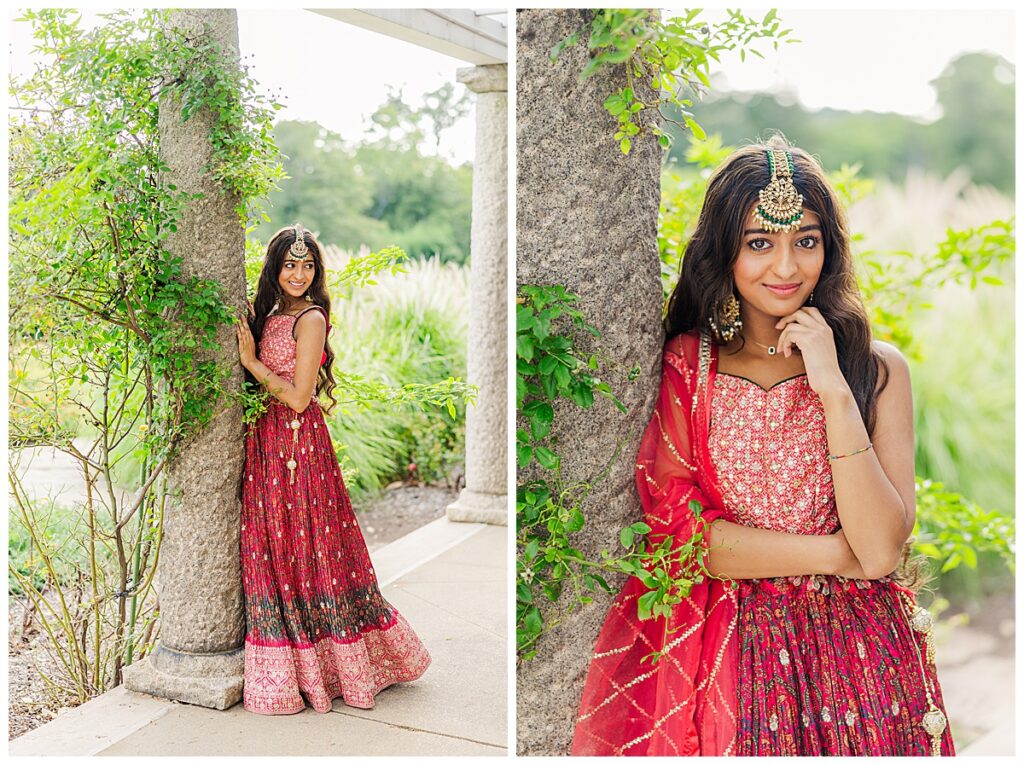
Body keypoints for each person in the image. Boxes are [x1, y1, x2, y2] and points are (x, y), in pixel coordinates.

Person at [571, 136, 954, 756]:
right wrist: (836, 555)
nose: (785, 267)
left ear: (827, 251)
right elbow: (686, 541)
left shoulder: (876, 371)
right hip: (732, 657)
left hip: (863, 665)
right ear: (723, 253)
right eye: (759, 243)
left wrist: (830, 385)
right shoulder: (688, 369)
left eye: (806, 240)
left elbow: (881, 547)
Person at [235, 224, 430, 715]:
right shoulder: (272, 313)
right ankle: (298, 666)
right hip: (267, 443)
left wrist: (252, 363)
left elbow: (300, 398)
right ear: (274, 269)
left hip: (298, 445)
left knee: (310, 546)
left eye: (308, 265)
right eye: (290, 265)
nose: (299, 274)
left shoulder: (311, 318)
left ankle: (334, 664)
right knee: (278, 547)